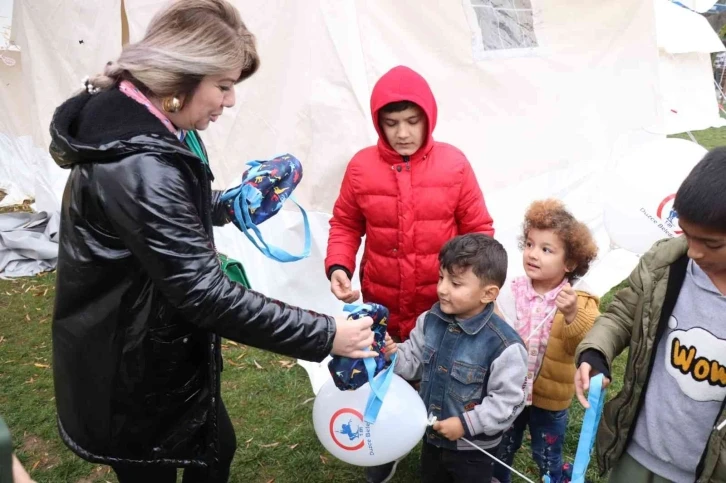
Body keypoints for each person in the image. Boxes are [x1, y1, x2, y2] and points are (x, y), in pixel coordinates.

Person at [48, 1, 375, 482]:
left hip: (148, 344)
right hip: (129, 364)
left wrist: (226, 205)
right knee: (158, 470)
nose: (230, 101)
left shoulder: (142, 128)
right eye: (223, 86)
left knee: (214, 451)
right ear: (180, 79)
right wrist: (327, 335)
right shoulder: (140, 163)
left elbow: (158, 219)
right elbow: (204, 292)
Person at [574, 147, 726, 483]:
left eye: (711, 243)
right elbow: (623, 314)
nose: (695, 250)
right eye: (687, 235)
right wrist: (595, 352)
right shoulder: (667, 264)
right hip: (637, 451)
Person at [325, 65, 495, 345]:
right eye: (391, 123)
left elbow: (478, 231)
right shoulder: (360, 167)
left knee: (438, 378)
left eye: (412, 121)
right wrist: (339, 266)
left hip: (441, 304)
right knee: (389, 375)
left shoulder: (455, 165)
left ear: (428, 118)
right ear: (379, 123)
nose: (402, 133)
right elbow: (345, 224)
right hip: (383, 302)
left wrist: (463, 286)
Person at [384, 234, 528, 483]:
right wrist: (391, 353)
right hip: (432, 438)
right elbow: (413, 363)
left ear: (488, 293)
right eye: (441, 277)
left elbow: (509, 402)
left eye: (456, 283)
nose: (442, 289)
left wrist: (466, 423)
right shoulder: (430, 320)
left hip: (473, 451)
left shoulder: (504, 346)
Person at [492, 199, 599, 483]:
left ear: (570, 262)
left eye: (546, 249)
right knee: (502, 446)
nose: (533, 254)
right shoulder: (512, 289)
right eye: (529, 244)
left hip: (551, 399)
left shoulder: (580, 299)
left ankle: (552, 476)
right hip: (510, 390)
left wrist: (572, 314)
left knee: (547, 451)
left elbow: (580, 344)